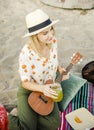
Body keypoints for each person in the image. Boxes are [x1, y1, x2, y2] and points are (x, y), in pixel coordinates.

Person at [8, 9, 69, 130]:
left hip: (48, 87)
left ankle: (30, 113)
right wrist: (42, 88)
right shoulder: (26, 53)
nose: (51, 35)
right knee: (27, 128)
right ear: (35, 36)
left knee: (53, 124)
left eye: (51, 29)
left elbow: (54, 61)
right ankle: (12, 115)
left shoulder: (53, 41)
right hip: (30, 89)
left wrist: (61, 70)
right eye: (45, 33)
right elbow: (25, 82)